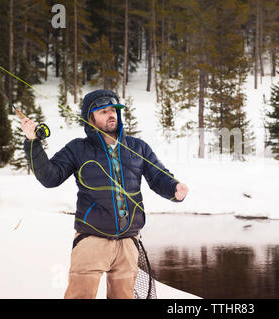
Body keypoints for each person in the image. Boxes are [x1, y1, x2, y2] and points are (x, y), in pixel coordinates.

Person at [20, 89, 188, 299]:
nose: (111, 115)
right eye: (103, 111)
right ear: (90, 119)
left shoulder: (138, 147)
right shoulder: (77, 149)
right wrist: (33, 142)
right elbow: (50, 177)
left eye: (113, 110)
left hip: (128, 242)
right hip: (91, 240)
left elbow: (159, 177)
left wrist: (174, 189)